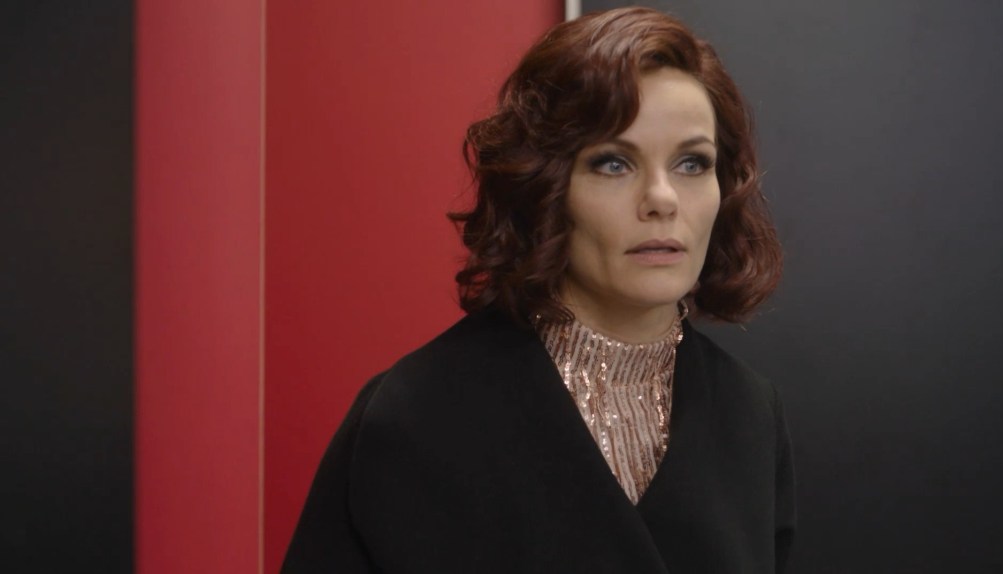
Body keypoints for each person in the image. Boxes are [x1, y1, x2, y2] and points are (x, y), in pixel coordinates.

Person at [283, 6, 794, 573]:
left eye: (692, 163)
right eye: (613, 164)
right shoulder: (415, 414)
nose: (662, 198)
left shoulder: (751, 415)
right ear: (545, 186)